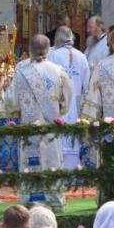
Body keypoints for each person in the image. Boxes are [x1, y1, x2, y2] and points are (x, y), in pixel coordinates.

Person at [5, 35, 73, 211]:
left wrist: (19, 112)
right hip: (50, 127)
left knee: (31, 163)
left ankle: (30, 201)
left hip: (29, 129)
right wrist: (59, 111)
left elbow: (11, 102)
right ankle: (54, 202)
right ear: (49, 49)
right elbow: (66, 100)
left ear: (29, 49)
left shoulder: (21, 71)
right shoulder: (58, 71)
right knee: (51, 161)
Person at [47, 26, 90, 169]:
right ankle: (73, 173)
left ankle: (58, 171)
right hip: (75, 106)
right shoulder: (82, 56)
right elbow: (87, 85)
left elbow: (48, 82)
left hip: (59, 104)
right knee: (73, 141)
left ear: (57, 39)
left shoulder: (53, 55)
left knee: (58, 139)